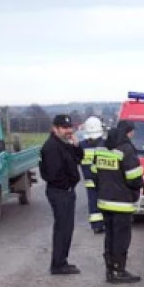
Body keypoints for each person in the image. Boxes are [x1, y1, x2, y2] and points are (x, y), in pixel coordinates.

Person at [91, 120, 143, 283]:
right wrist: (136, 189)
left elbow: (94, 173)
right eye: (132, 132)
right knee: (121, 238)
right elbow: (134, 178)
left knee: (110, 236)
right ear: (128, 132)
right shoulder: (126, 149)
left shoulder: (100, 148)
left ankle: (109, 270)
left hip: (104, 202)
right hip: (122, 203)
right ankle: (119, 271)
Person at [39, 114, 85, 275]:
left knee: (67, 228)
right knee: (62, 229)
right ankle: (58, 265)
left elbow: (79, 158)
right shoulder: (52, 147)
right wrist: (67, 186)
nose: (68, 130)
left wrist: (76, 145)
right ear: (55, 129)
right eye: (64, 128)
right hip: (60, 193)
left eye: (69, 127)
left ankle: (62, 261)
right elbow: (53, 175)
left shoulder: (64, 144)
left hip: (66, 192)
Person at [79, 116, 106, 234]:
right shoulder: (105, 144)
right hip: (103, 179)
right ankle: (102, 223)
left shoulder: (81, 145)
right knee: (104, 202)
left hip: (89, 179)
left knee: (93, 202)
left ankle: (96, 225)